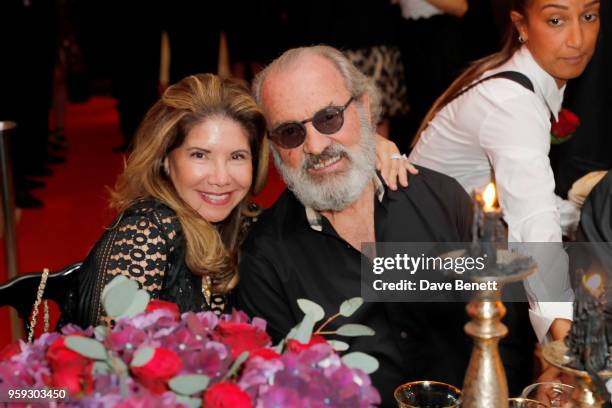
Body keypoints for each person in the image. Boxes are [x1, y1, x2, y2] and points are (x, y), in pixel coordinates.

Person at [236, 45, 534, 406]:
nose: (315, 145)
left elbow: (512, 335)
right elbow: (281, 391)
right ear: (273, 145)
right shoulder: (266, 257)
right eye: (290, 133)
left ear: (362, 107)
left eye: (329, 118)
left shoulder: (440, 200)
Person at [409, 0, 601, 343]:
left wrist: (591, 215)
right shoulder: (513, 104)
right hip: (428, 287)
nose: (578, 38)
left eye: (589, 16)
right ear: (522, 26)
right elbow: (533, 228)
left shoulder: (519, 81)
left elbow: (528, 201)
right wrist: (566, 339)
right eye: (556, 20)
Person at [60, 74, 269, 328]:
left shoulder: (248, 222)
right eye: (200, 155)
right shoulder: (146, 235)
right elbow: (109, 358)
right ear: (166, 160)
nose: (221, 178)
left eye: (237, 156)